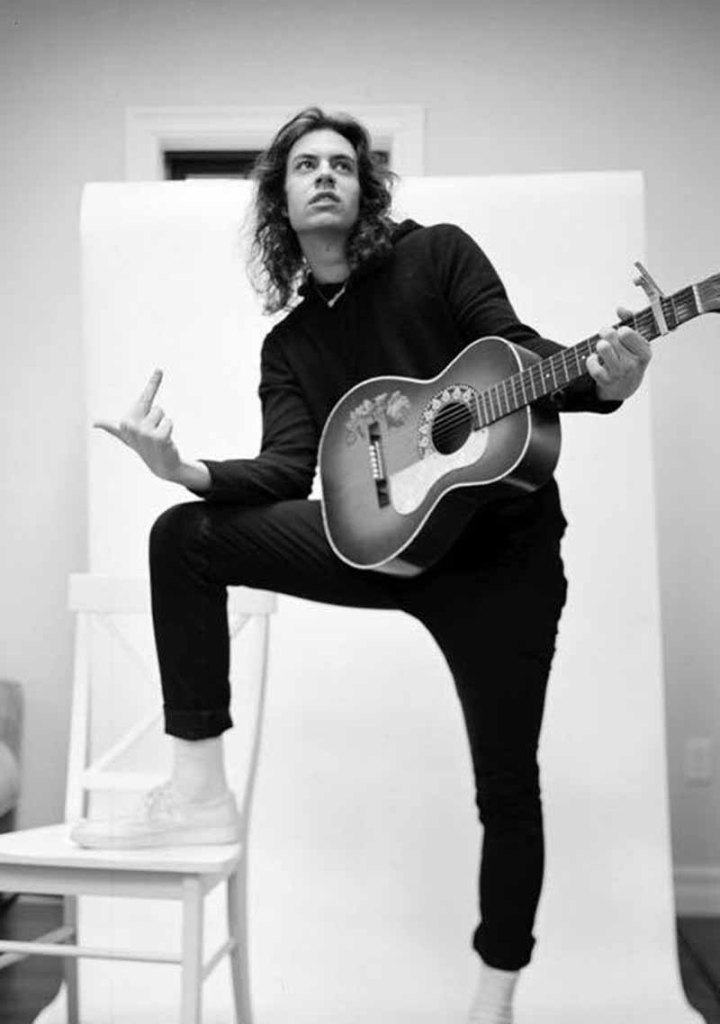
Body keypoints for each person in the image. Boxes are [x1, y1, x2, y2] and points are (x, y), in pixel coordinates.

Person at [71, 107, 651, 1023]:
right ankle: (198, 792)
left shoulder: (437, 256)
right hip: (378, 544)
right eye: (306, 165)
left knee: (507, 785)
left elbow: (518, 352)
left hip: (502, 564)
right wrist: (182, 469)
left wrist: (606, 381)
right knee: (183, 536)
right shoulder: (290, 344)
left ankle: (494, 995)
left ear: (365, 188)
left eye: (342, 163)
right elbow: (283, 471)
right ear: (281, 201)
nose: (326, 175)